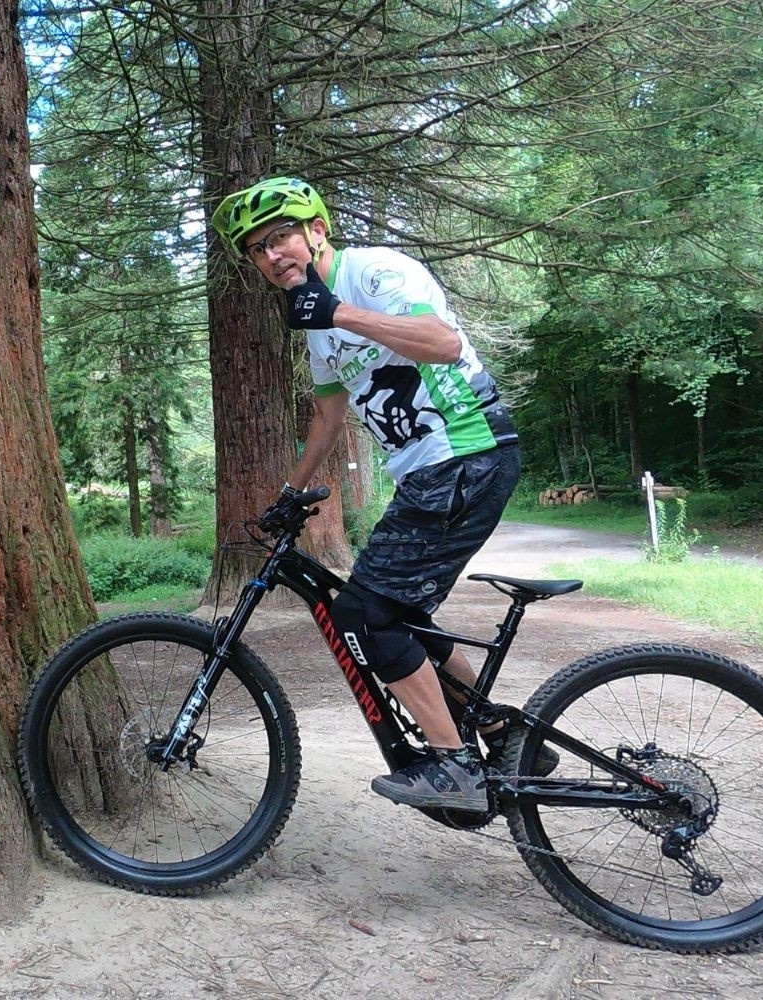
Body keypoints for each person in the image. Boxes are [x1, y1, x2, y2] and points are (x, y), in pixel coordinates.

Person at [210, 176, 540, 812]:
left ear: (316, 230)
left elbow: (442, 343)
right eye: (257, 248)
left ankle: (453, 766)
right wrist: (291, 491)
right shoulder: (315, 327)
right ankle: (501, 734)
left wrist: (338, 311)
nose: (272, 254)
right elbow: (328, 419)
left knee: (363, 614)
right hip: (430, 473)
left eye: (280, 236)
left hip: (466, 456)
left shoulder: (376, 273)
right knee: (395, 612)